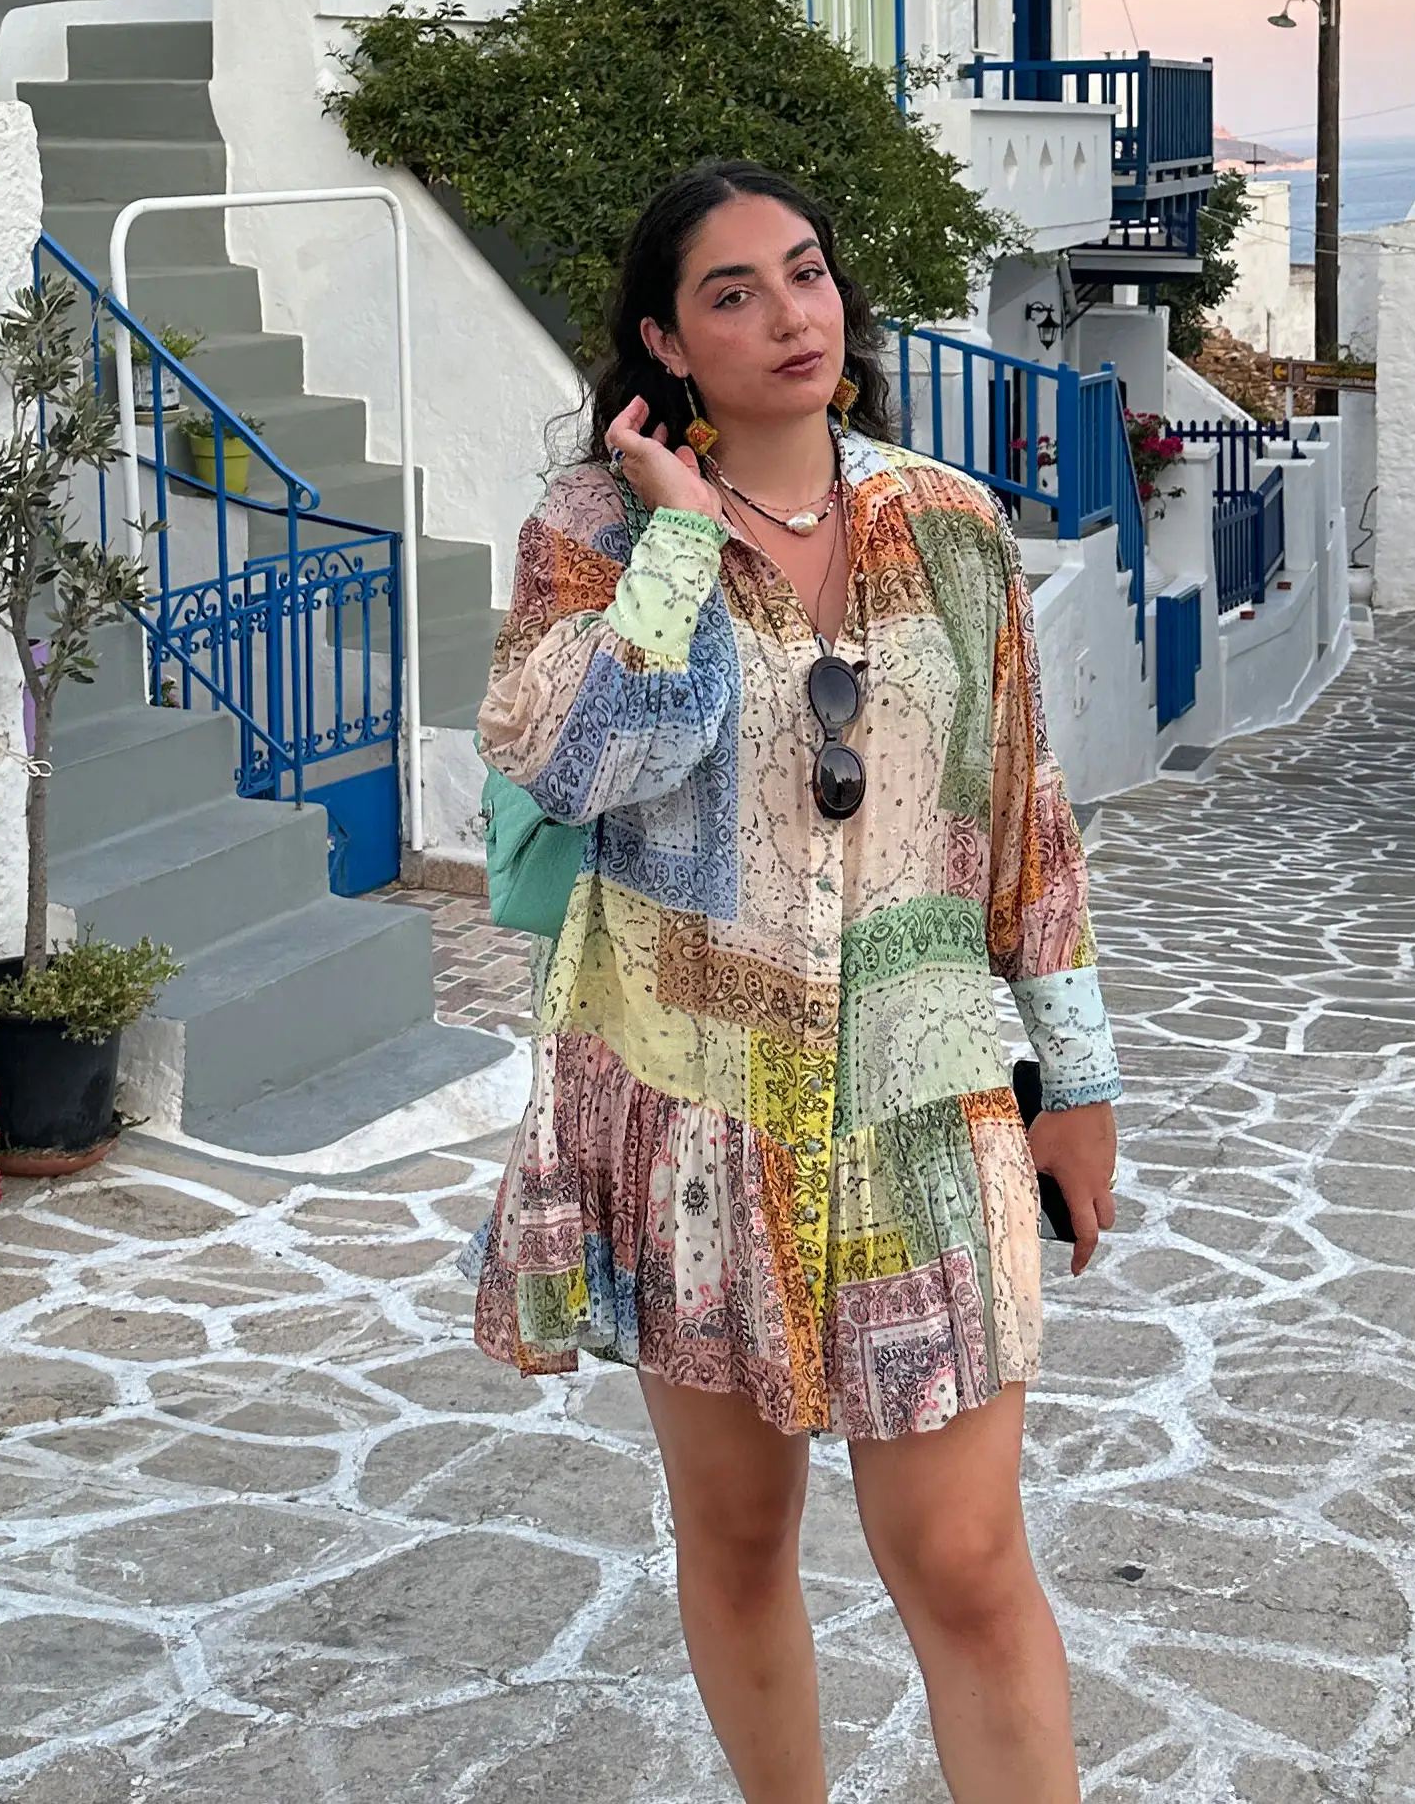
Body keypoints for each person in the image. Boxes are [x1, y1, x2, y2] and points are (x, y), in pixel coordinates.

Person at [462, 162, 1120, 1802]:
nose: (787, 314)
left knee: (964, 1555)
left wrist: (1079, 1076)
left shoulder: (951, 523)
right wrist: (683, 537)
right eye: (733, 291)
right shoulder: (595, 531)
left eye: (805, 272)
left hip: (924, 1102)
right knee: (741, 1532)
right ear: (663, 340)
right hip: (692, 1103)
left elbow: (1021, 811)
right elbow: (578, 758)